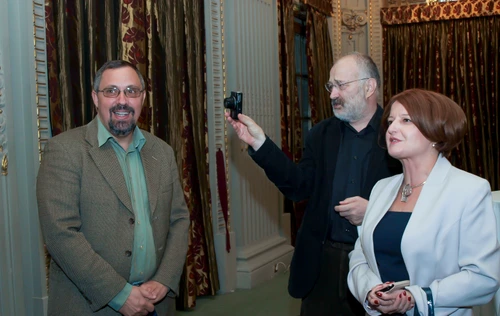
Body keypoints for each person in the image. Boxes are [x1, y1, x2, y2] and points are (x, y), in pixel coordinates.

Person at [225, 52, 400, 315]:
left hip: (377, 264)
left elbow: (418, 200)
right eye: (331, 86)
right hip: (322, 264)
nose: (332, 94)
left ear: (369, 87)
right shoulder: (320, 134)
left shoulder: (397, 135)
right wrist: (259, 143)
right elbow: (298, 187)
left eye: (342, 85)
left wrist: (374, 212)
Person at [37, 60, 190, 315]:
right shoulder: (64, 151)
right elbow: (61, 234)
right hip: (92, 305)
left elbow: (179, 219)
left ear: (142, 98)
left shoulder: (162, 152)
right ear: (96, 98)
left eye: (131, 91)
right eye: (112, 91)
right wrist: (119, 294)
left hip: (156, 302)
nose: (122, 100)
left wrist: (165, 279)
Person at [348, 89, 500, 315]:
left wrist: (416, 297)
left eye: (406, 120)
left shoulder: (469, 190)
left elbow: (483, 278)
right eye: (390, 121)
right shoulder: (381, 188)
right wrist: (372, 293)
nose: (392, 128)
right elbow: (360, 255)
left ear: (436, 132)